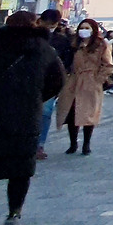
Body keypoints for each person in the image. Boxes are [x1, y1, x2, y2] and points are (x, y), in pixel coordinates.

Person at [0, 10, 65, 225]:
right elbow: (58, 81)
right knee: (20, 169)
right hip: (25, 117)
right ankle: (13, 216)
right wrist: (35, 97)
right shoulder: (45, 50)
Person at [56, 19, 112, 156]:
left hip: (91, 82)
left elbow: (108, 65)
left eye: (87, 28)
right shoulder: (74, 44)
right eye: (82, 28)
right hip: (73, 81)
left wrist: (98, 80)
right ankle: (73, 143)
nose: (84, 31)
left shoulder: (101, 45)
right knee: (71, 113)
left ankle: (86, 144)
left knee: (88, 114)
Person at [36, 10, 72, 160]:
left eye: (53, 25)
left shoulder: (61, 40)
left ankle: (39, 145)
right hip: (29, 82)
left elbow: (67, 61)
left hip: (49, 83)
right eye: (47, 25)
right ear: (40, 21)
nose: (50, 28)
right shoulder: (31, 37)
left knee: (45, 113)